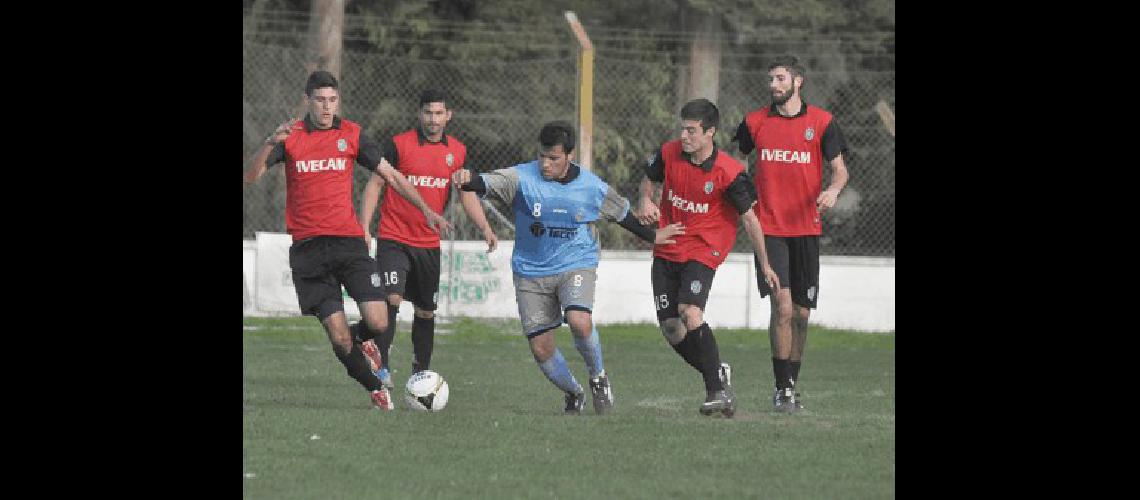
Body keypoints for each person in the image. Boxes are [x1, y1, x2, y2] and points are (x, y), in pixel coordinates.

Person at [242, 70, 451, 410]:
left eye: (332, 100)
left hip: (349, 244)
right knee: (337, 337)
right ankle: (375, 388)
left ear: (338, 100)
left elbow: (392, 176)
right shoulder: (290, 137)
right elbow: (249, 176)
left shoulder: (352, 134)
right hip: (309, 250)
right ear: (308, 101)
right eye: (320, 100)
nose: (326, 107)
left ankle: (361, 341)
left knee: (380, 320)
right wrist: (270, 141)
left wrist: (426, 208)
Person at [452, 121, 684, 415]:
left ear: (569, 156)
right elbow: (481, 182)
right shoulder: (521, 177)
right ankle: (574, 392)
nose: (546, 164)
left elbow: (622, 213)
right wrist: (466, 176)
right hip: (530, 270)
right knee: (541, 348)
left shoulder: (591, 187)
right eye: (542, 157)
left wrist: (653, 236)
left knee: (579, 320)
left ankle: (598, 377)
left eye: (554, 159)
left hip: (576, 262)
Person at [348, 89, 498, 410]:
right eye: (428, 113)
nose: (433, 119)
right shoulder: (399, 145)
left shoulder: (456, 152)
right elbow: (376, 183)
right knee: (391, 298)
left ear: (448, 116)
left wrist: (485, 227)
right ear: (420, 114)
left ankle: (421, 375)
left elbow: (467, 192)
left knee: (426, 311)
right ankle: (382, 367)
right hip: (393, 237)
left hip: (428, 244)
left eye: (438, 113)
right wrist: (364, 227)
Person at [634, 98, 781, 418]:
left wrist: (766, 264)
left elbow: (751, 220)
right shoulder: (669, 152)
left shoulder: (729, 173)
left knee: (689, 311)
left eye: (691, 130)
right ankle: (717, 375)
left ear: (710, 132)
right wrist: (645, 199)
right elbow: (649, 176)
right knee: (672, 329)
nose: (683, 136)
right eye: (682, 129)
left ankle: (715, 391)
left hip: (704, 249)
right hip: (668, 246)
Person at [732, 56, 849, 412]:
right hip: (770, 230)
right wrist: (743, 199)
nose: (773, 85)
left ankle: (791, 383)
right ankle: (781, 388)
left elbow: (840, 171)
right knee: (782, 307)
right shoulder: (754, 123)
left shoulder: (823, 123)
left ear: (798, 82)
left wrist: (832, 191)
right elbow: (736, 164)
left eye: (780, 79)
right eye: (771, 79)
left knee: (801, 313)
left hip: (806, 230)